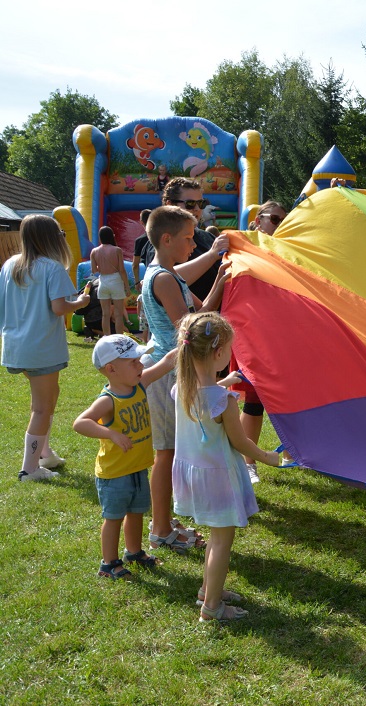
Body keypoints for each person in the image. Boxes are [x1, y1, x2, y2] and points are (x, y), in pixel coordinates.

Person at [171, 312, 283, 622]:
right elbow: (242, 444)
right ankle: (212, 609)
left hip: (194, 476)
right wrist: (270, 457)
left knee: (214, 536)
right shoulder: (224, 402)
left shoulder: (181, 388)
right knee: (221, 541)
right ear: (219, 353)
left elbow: (206, 393)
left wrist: (225, 382)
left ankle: (209, 590)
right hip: (218, 479)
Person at [140, 206, 229, 552]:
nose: (194, 244)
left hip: (175, 369)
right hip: (165, 371)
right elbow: (187, 331)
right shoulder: (162, 278)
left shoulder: (172, 275)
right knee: (165, 452)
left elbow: (202, 309)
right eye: (188, 238)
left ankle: (164, 519)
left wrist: (221, 277)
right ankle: (160, 529)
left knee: (172, 450)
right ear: (167, 239)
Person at [73, 335, 177, 579]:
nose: (141, 366)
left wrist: (183, 343)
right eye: (134, 362)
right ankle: (108, 564)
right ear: (111, 369)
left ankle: (134, 552)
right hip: (114, 474)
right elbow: (80, 423)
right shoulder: (108, 400)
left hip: (138, 467)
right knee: (113, 518)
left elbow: (165, 364)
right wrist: (110, 433)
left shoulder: (139, 384)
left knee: (137, 512)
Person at [1, 215, 91, 481]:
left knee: (47, 400)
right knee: (42, 407)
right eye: (60, 232)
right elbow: (59, 308)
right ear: (51, 237)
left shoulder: (9, 265)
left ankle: (44, 453)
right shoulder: (52, 268)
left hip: (17, 347)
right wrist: (82, 302)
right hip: (41, 347)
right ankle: (29, 468)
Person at [235, 199, 288, 482]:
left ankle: (294, 452)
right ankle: (248, 462)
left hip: (283, 335)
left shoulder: (289, 250)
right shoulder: (243, 247)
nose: (280, 225)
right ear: (258, 220)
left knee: (289, 397)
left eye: (284, 219)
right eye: (274, 219)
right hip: (253, 336)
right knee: (254, 401)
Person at [139, 177, 223, 303]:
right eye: (189, 203)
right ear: (169, 205)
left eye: (201, 203)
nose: (196, 209)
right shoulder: (159, 243)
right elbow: (163, 280)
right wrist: (211, 255)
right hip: (183, 321)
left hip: (211, 319)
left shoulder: (208, 237)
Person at [90, 226, 131, 336]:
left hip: (102, 281)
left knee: (105, 314)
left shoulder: (94, 251)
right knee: (118, 314)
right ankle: (118, 338)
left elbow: (94, 270)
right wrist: (127, 287)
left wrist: (103, 267)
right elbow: (122, 270)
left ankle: (106, 337)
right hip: (116, 280)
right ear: (111, 236)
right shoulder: (117, 250)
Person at [132, 209, 153, 291]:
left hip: (150, 274)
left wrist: (137, 282)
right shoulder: (162, 236)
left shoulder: (140, 240)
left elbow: (135, 265)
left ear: (141, 222)